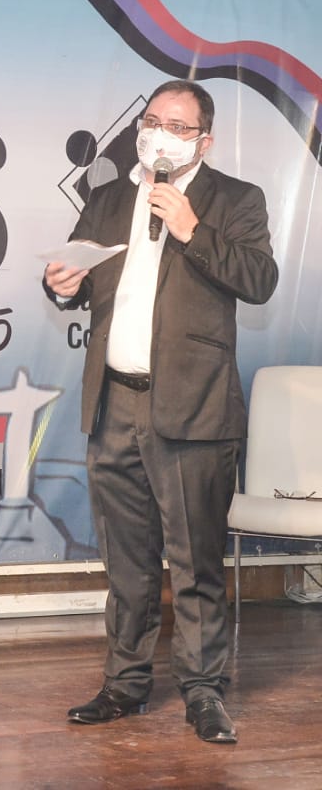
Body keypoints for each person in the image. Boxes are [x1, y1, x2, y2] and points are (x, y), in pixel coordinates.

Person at [44, 80, 278, 744]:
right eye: (152, 121)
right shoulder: (108, 198)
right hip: (113, 400)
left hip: (194, 408)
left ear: (204, 141)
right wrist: (59, 284)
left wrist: (191, 230)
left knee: (195, 562)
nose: (160, 134)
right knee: (126, 561)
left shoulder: (235, 199)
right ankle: (125, 683)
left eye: (178, 126)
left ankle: (204, 692)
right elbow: (79, 277)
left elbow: (259, 280)